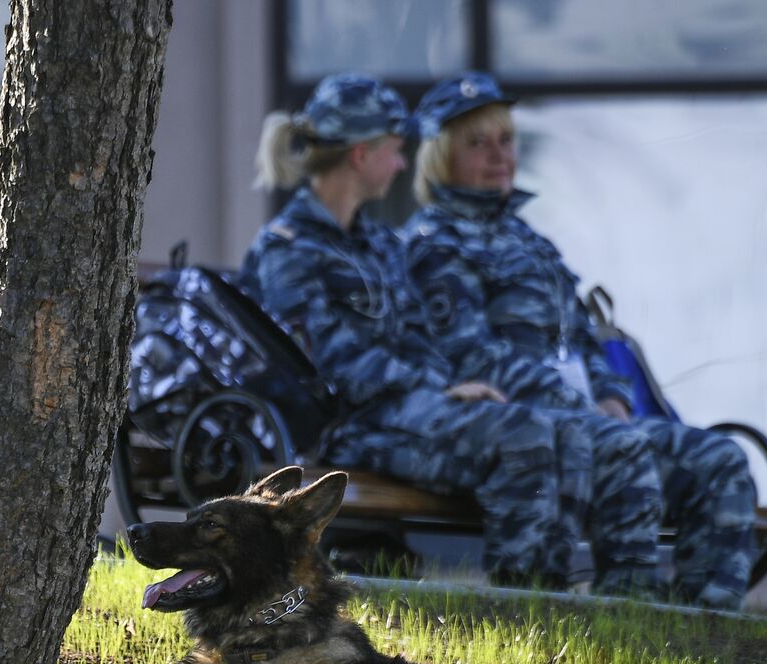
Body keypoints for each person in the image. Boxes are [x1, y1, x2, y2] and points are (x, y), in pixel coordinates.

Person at [403, 71, 756, 608]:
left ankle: (705, 625)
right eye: (478, 144)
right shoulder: (436, 246)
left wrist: (612, 394)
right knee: (627, 445)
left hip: (590, 420)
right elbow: (470, 356)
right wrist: (577, 404)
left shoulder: (530, 240)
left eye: (506, 140)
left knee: (721, 459)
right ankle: (628, 619)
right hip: (531, 433)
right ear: (441, 157)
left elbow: (585, 339)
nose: (499, 156)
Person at [238, 73, 582, 589]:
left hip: (407, 412)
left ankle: (552, 595)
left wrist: (447, 385)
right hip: (349, 428)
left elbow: (419, 334)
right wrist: (434, 388)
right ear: (361, 155)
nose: (402, 165)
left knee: (543, 424)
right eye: (395, 151)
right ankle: (527, 601)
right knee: (522, 436)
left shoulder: (379, 243)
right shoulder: (289, 248)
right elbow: (328, 361)